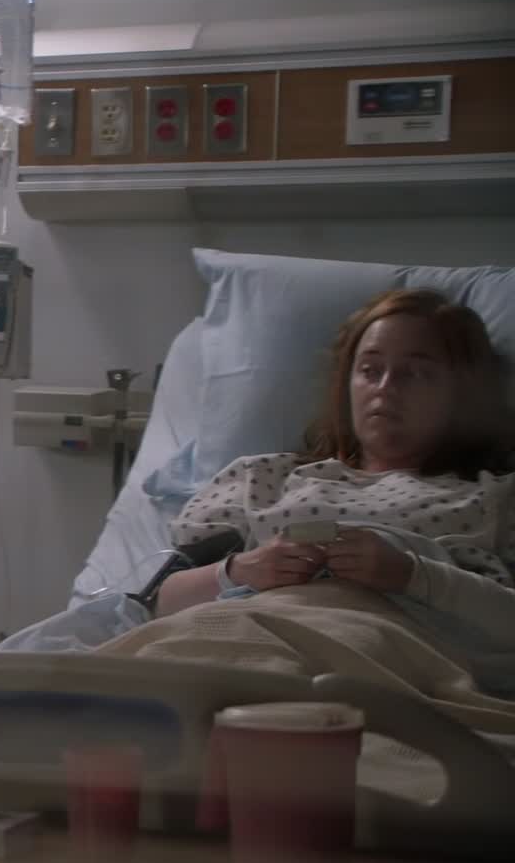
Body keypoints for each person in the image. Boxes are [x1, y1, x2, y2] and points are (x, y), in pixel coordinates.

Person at [151, 288, 515, 692]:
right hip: (231, 642)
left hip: (374, 666)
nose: (385, 387)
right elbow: (156, 601)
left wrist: (413, 575)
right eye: (370, 370)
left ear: (463, 392)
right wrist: (239, 570)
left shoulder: (494, 501)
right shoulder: (266, 478)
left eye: (415, 373)